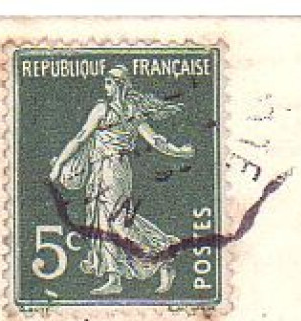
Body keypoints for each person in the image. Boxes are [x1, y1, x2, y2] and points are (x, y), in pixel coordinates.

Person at [48, 65, 195, 297]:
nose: (106, 87)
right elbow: (155, 140)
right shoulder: (125, 110)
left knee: (114, 223)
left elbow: (81, 138)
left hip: (113, 170)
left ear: (119, 85)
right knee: (105, 222)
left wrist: (58, 165)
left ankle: (160, 254)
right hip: (105, 169)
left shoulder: (111, 110)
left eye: (109, 83)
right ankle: (115, 275)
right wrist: (178, 151)